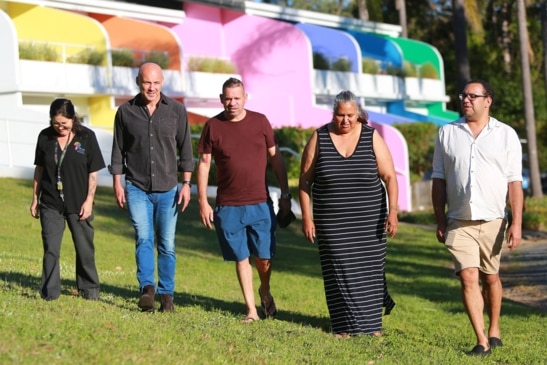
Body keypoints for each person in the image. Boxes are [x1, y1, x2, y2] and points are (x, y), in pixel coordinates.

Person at [431, 79, 523, 356]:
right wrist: (439, 218)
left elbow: (514, 182)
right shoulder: (447, 132)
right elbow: (439, 179)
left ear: (488, 100)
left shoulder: (506, 134)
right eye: (464, 95)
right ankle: (481, 340)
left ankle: (494, 327)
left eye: (473, 96)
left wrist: (516, 223)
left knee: (490, 277)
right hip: (459, 219)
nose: (466, 100)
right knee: (468, 277)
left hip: (494, 219)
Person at [299, 90, 398, 337]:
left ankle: (371, 327)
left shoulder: (371, 136)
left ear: (358, 114)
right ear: (333, 113)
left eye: (350, 115)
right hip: (332, 222)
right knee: (338, 270)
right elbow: (304, 181)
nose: (345, 121)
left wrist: (393, 211)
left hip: (369, 221)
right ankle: (342, 326)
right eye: (340, 115)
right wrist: (307, 217)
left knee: (370, 270)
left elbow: (389, 177)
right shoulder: (319, 137)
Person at [197, 77, 292, 322]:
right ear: (221, 99)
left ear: (245, 98)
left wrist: (285, 193)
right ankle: (251, 310)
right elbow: (205, 164)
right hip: (228, 206)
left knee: (264, 258)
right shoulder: (212, 126)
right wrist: (203, 201)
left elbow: (276, 158)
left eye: (237, 98)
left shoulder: (260, 122)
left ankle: (265, 289)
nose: (232, 103)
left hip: (260, 202)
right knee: (241, 257)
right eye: (227, 98)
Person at [110, 62, 194, 312]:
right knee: (144, 238)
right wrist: (117, 182)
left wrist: (187, 183)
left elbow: (186, 150)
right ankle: (147, 290)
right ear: (138, 81)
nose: (152, 87)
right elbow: (118, 150)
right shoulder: (125, 112)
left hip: (169, 189)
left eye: (156, 83)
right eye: (147, 82)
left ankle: (167, 295)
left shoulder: (177, 111)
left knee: (167, 243)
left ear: (162, 83)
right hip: (136, 187)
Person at [30, 98, 105, 301]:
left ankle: (89, 289)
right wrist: (35, 198)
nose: (60, 127)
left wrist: (89, 200)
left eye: (64, 123)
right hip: (51, 202)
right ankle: (49, 291)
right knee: (51, 248)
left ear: (73, 119)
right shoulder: (44, 137)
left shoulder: (87, 137)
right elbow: (39, 169)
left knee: (84, 248)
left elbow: (93, 172)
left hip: (79, 203)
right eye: (56, 123)